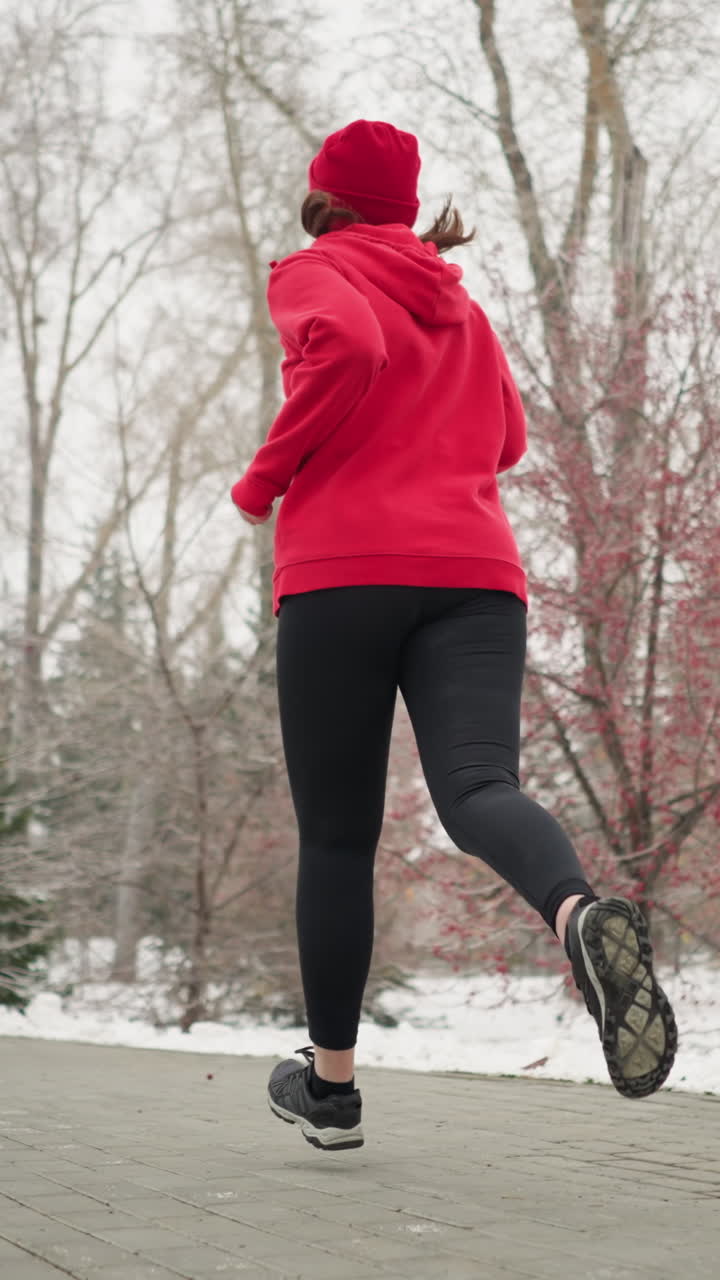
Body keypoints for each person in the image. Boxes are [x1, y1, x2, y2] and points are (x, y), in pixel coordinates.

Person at [230, 120, 678, 1152]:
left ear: (327, 199)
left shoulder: (310, 270)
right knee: (480, 790)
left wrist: (265, 480)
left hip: (343, 575)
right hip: (477, 579)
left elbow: (347, 345)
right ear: (404, 202)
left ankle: (332, 1090)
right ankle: (575, 916)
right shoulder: (457, 301)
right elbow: (510, 438)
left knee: (338, 837)